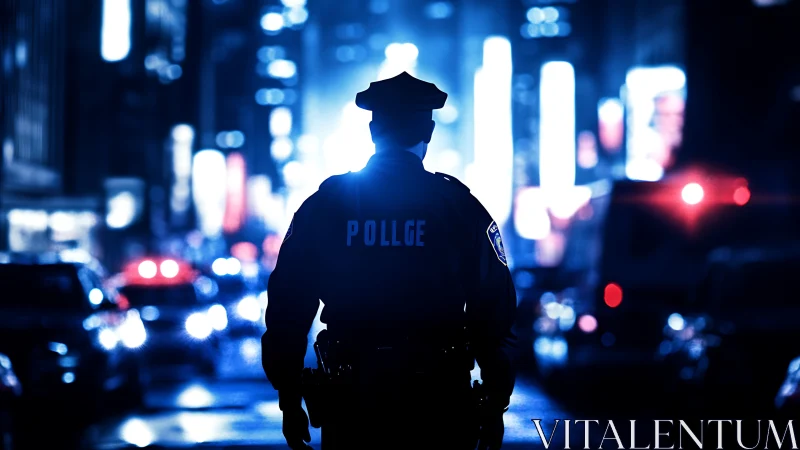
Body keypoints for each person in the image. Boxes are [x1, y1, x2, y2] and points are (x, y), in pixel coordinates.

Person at [262, 71, 518, 449]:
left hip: (353, 401)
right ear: (428, 132)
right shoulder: (459, 207)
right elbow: (494, 310)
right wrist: (495, 403)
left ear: (372, 130)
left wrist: (289, 399)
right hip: (437, 399)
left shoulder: (326, 205)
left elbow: (288, 305)